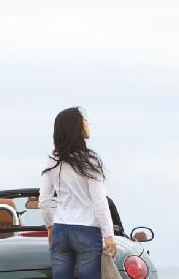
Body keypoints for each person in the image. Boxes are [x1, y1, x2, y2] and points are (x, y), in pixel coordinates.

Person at [39, 107, 117, 279]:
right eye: (84, 120)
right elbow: (99, 201)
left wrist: (50, 226)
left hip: (60, 230)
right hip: (87, 231)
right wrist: (109, 235)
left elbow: (43, 201)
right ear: (77, 128)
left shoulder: (52, 159)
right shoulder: (90, 160)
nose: (87, 123)